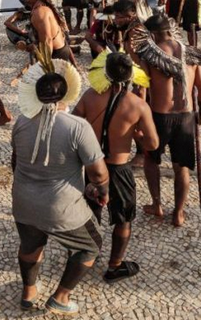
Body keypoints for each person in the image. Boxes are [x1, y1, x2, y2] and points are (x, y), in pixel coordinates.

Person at [11, 54, 109, 314]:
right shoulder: (78, 127)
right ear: (67, 92)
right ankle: (61, 297)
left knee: (31, 246)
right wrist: (101, 190)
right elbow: (98, 174)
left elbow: (16, 161)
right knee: (91, 247)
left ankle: (28, 291)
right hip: (61, 207)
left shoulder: (21, 122)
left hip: (24, 201)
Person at [73, 52, 157, 283]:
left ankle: (86, 254)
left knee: (90, 212)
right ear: (131, 75)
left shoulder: (90, 96)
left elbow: (74, 123)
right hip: (119, 168)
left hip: (92, 166)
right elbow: (153, 143)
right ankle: (115, 265)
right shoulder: (138, 105)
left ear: (105, 73)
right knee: (123, 219)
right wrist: (137, 136)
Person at [134, 14, 201, 227]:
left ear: (153, 34)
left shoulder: (148, 55)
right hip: (185, 116)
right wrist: (199, 117)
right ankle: (179, 212)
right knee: (181, 167)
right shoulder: (191, 55)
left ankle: (156, 204)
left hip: (159, 117)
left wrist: (140, 122)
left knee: (151, 159)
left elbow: (141, 89)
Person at [12, 0, 76, 65]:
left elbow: (47, 41)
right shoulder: (42, 4)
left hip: (55, 55)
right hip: (58, 51)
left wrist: (46, 66)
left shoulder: (40, 13)